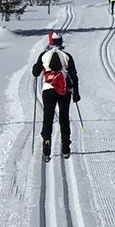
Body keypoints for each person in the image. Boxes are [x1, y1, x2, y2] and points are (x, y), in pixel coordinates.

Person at [31, 30, 81, 160]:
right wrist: (76, 93)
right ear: (61, 42)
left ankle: (46, 142)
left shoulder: (44, 55)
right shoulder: (67, 56)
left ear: (50, 42)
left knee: (48, 117)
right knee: (64, 118)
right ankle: (65, 147)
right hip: (64, 90)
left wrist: (37, 67)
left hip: (48, 89)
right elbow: (74, 76)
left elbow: (36, 73)